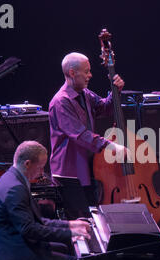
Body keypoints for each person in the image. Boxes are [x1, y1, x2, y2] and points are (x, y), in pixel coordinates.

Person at [0, 141, 91, 260]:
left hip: (10, 246)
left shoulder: (12, 178)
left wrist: (70, 225)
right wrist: (71, 233)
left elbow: (37, 221)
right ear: (28, 163)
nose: (42, 172)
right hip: (10, 256)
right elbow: (29, 230)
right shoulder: (15, 189)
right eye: (41, 167)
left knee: (63, 249)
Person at [48, 52, 127, 213]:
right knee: (81, 220)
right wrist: (112, 146)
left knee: (93, 218)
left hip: (88, 166)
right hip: (70, 173)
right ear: (72, 72)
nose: (90, 75)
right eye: (86, 71)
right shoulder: (61, 102)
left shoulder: (85, 94)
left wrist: (116, 91)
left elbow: (104, 108)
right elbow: (80, 135)